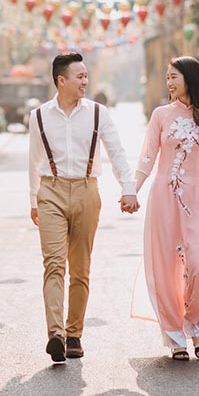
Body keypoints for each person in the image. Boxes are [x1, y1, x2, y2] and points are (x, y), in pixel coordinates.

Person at [28, 52, 137, 363]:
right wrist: (32, 199)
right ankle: (56, 335)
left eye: (87, 76)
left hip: (88, 191)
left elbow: (117, 151)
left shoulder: (98, 114)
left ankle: (74, 333)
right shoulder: (39, 116)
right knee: (53, 264)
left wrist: (128, 188)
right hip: (51, 191)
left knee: (80, 268)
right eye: (79, 76)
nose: (85, 81)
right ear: (61, 81)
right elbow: (34, 160)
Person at [120, 56, 199, 361]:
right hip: (163, 201)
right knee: (166, 268)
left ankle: (196, 327)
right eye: (166, 77)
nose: (168, 82)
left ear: (190, 78)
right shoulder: (161, 115)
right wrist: (131, 191)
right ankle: (175, 336)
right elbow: (147, 158)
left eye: (173, 77)